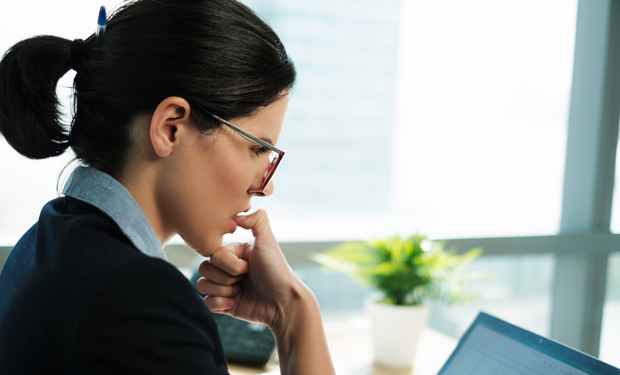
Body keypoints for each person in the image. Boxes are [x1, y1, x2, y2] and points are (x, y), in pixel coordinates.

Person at [0, 0, 336, 374]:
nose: (264, 187)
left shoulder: (40, 243)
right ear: (170, 128)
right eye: (257, 148)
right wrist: (293, 311)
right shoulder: (143, 303)